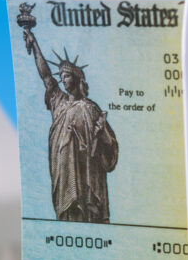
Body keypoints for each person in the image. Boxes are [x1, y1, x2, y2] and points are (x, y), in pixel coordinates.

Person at [22, 27, 118, 223]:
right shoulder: (59, 103)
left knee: (85, 216)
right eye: (62, 76)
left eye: (66, 75)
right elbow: (46, 78)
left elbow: (110, 147)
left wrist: (102, 136)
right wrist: (35, 44)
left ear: (76, 77)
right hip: (63, 173)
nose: (62, 79)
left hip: (86, 177)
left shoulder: (90, 108)